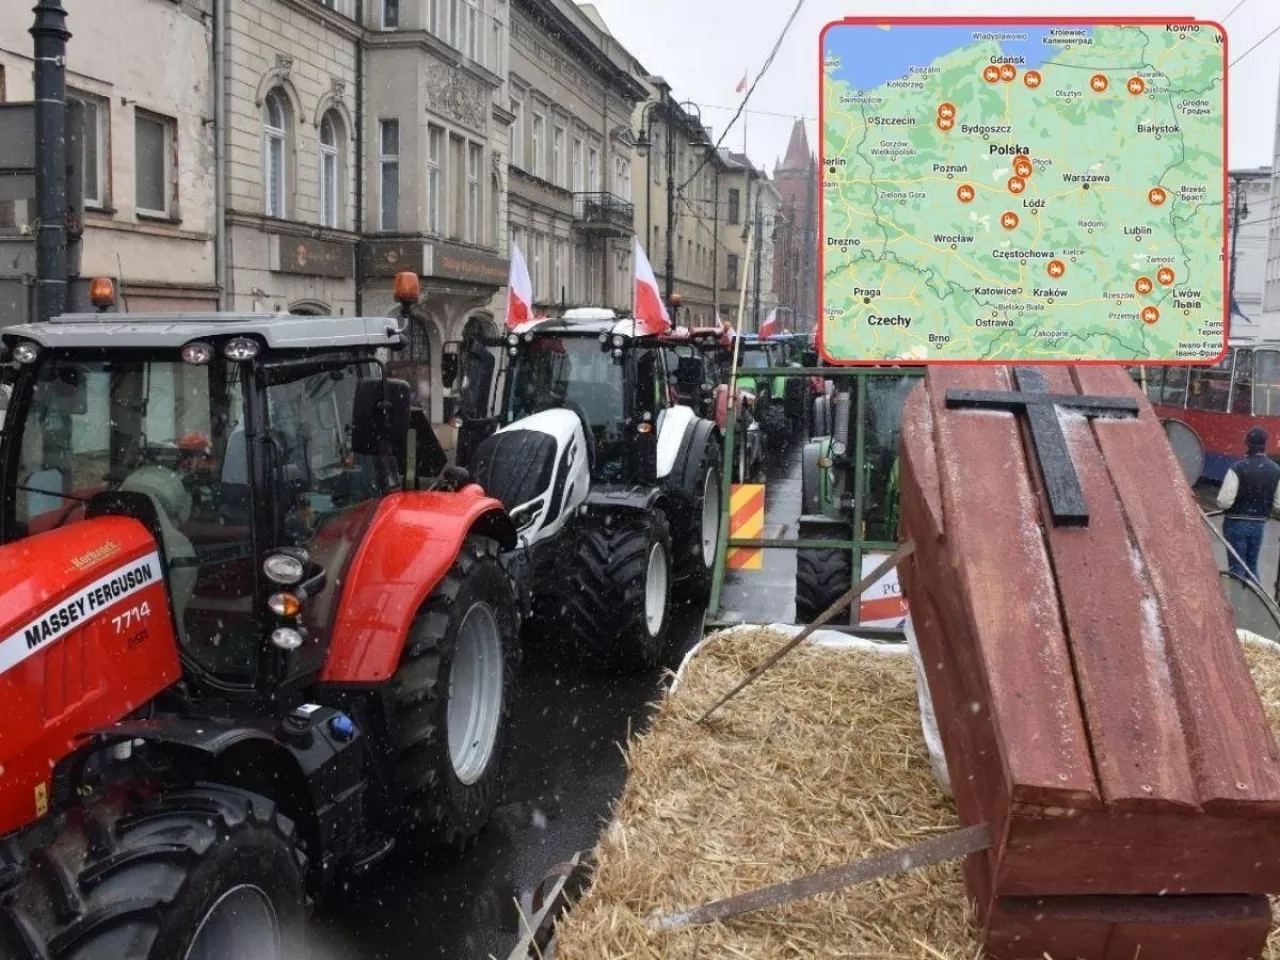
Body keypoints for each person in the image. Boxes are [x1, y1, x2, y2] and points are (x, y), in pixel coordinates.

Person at [1217, 426, 1280, 583]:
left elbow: (1224, 501)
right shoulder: (1275, 470)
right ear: (1265, 444)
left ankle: (1237, 603)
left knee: (1237, 567)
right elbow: (1278, 504)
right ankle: (1253, 601)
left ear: (1247, 443)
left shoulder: (1237, 468)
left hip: (1235, 523)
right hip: (1258, 524)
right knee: (1252, 567)